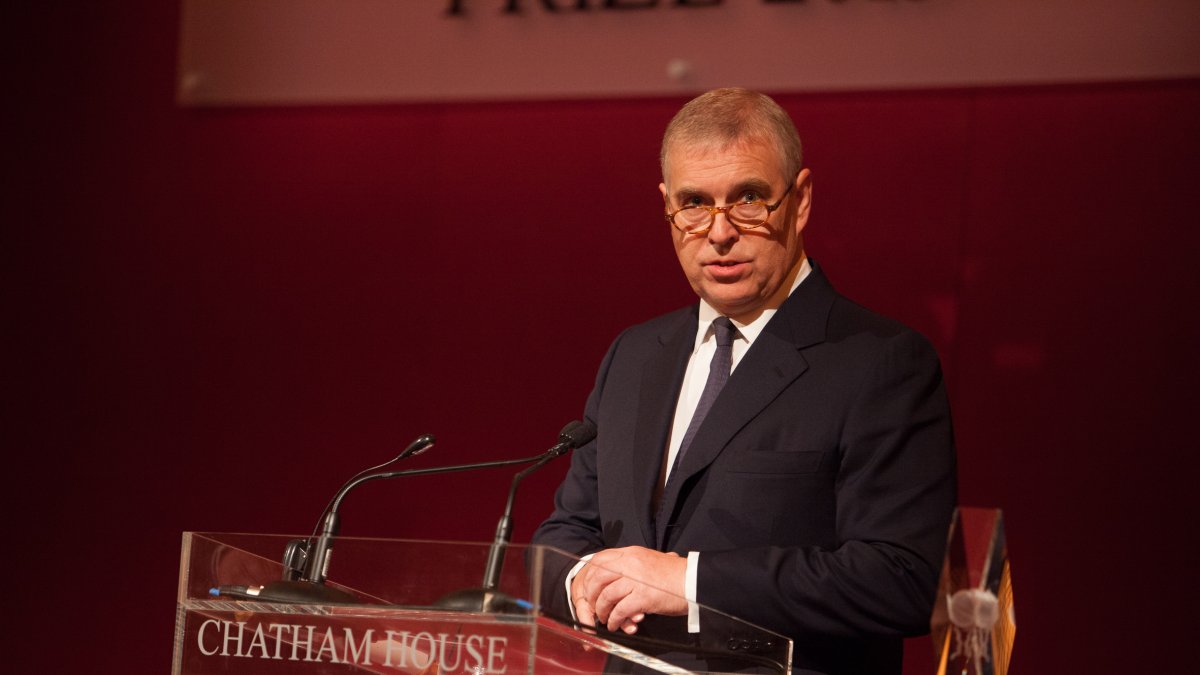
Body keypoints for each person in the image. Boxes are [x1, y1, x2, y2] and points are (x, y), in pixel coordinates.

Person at [531, 88, 957, 675]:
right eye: (694, 203)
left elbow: (903, 578)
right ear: (666, 206)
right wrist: (581, 579)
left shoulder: (881, 363)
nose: (719, 232)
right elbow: (565, 532)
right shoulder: (635, 354)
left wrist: (688, 581)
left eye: (749, 198)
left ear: (800, 201)